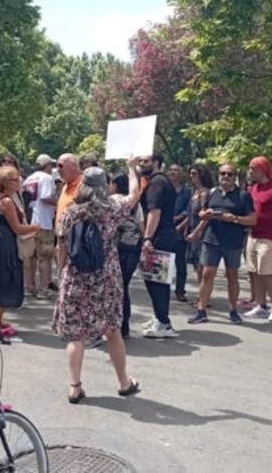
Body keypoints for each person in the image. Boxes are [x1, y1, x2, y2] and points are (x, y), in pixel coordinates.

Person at [54, 163, 142, 404]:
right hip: (106, 278)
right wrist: (132, 168)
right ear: (105, 186)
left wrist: (61, 274)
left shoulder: (70, 213)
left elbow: (61, 246)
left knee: (76, 335)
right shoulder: (112, 210)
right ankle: (123, 382)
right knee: (112, 331)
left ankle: (75, 387)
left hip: (76, 277)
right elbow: (135, 194)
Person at [189, 164, 255, 324]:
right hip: (211, 240)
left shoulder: (243, 195)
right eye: (223, 173)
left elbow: (253, 219)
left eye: (230, 174)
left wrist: (235, 219)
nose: (226, 176)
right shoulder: (212, 192)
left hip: (233, 242)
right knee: (206, 274)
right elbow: (202, 212)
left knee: (232, 275)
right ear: (218, 175)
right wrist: (206, 214)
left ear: (235, 177)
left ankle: (233, 310)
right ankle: (201, 310)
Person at [0, 166, 40, 332]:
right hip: (5, 241)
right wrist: (35, 227)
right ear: (5, 182)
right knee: (4, 278)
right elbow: (17, 228)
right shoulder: (6, 201)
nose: (18, 182)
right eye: (14, 179)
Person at [139, 151, 180, 338]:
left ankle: (163, 323)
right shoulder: (163, 181)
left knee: (156, 280)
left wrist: (148, 238)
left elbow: (154, 212)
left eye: (145, 161)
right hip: (165, 233)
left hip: (159, 236)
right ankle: (159, 317)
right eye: (141, 160)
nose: (141, 163)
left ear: (156, 163)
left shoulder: (156, 183)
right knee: (157, 279)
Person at [243, 156, 272, 321]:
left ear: (263, 169)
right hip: (253, 235)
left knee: (267, 274)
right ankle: (261, 306)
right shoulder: (252, 189)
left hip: (269, 237)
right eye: (250, 168)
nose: (251, 171)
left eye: (254, 168)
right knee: (255, 273)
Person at [110, 173, 144, 338]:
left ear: (114, 184)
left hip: (113, 248)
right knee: (124, 287)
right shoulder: (136, 204)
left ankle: (111, 325)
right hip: (131, 248)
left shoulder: (110, 201)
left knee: (111, 288)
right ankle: (124, 328)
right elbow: (141, 226)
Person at [24, 154, 59, 299]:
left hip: (29, 221)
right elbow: (45, 197)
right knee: (44, 256)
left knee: (30, 256)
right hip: (43, 221)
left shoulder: (29, 179)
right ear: (48, 165)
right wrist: (60, 202)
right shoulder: (47, 178)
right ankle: (44, 289)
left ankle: (29, 286)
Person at [183, 165, 215, 294]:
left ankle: (204, 298)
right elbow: (190, 215)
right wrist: (182, 228)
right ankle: (201, 296)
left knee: (202, 267)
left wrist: (195, 232)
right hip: (192, 230)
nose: (191, 176)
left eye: (194, 173)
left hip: (202, 233)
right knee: (197, 266)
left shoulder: (204, 193)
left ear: (201, 175)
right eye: (190, 173)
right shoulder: (194, 192)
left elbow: (205, 217)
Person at [169, 164, 193, 302]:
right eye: (171, 170)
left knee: (181, 264)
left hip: (180, 231)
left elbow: (189, 209)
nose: (172, 172)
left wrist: (178, 218)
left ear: (181, 174)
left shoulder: (187, 191)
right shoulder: (164, 188)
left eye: (176, 170)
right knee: (164, 262)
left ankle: (180, 291)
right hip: (165, 230)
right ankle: (162, 290)